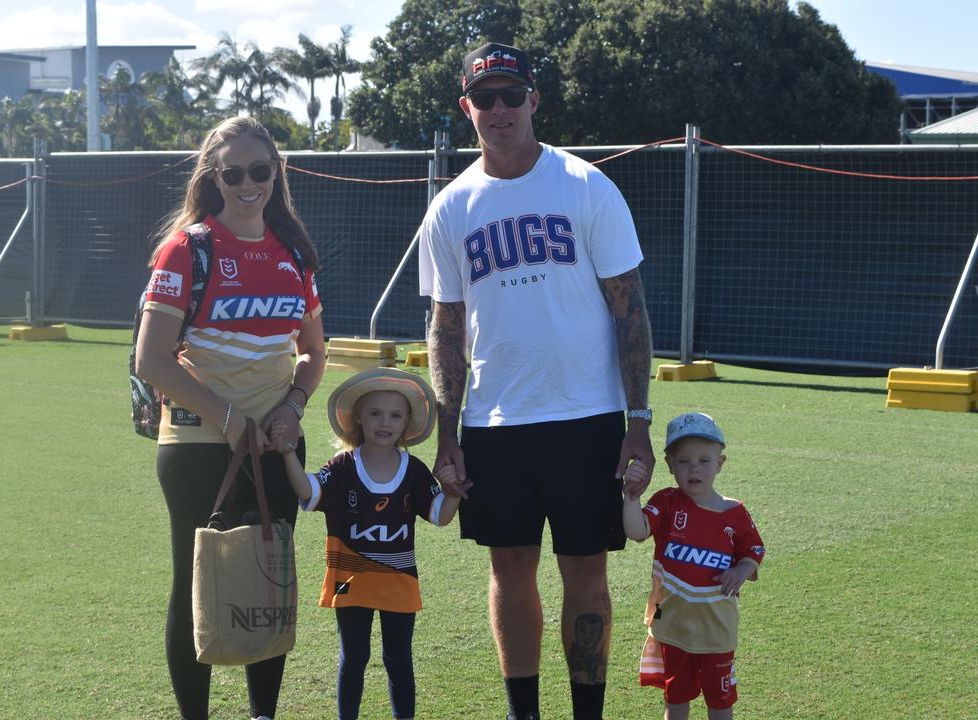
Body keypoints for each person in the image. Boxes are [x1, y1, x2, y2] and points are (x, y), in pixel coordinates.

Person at [417, 41, 657, 720]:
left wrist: (637, 422)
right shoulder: (452, 207)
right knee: (509, 572)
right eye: (484, 97)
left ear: (534, 101)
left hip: (587, 417)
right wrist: (448, 434)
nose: (499, 109)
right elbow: (445, 327)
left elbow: (628, 308)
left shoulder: (585, 187)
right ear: (468, 107)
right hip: (496, 424)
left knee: (587, 570)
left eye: (511, 95)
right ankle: (524, 713)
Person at [133, 116, 324, 720]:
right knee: (195, 584)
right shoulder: (187, 248)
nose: (249, 184)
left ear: (277, 173)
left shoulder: (293, 251)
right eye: (234, 172)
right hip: (196, 443)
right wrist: (229, 418)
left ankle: (262, 713)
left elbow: (314, 353)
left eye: (260, 171)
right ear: (213, 177)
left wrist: (291, 410)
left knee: (268, 577)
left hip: (274, 442)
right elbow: (152, 359)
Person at [270, 368, 472, 720]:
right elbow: (308, 491)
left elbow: (440, 515)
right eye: (375, 413)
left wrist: (453, 492)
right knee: (354, 657)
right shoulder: (344, 466)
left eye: (395, 415)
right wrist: (288, 453)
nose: (385, 422)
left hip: (399, 581)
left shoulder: (414, 469)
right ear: (359, 418)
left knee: (398, 658)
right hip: (352, 580)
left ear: (407, 421)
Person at [622, 413, 766, 720]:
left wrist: (740, 571)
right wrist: (631, 499)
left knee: (720, 702)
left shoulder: (735, 513)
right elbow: (637, 532)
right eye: (684, 461)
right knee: (676, 701)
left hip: (717, 631)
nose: (694, 468)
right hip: (674, 628)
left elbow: (753, 550)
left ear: (720, 463)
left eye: (703, 459)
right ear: (670, 465)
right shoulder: (667, 502)